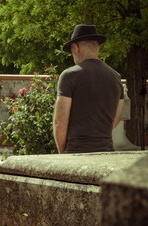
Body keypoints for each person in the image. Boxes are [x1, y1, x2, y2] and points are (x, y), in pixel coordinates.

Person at [53, 24, 124, 153]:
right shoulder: (116, 77)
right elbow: (115, 120)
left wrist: (62, 154)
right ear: (97, 47)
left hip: (77, 153)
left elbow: (60, 123)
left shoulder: (70, 75)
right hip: (106, 152)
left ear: (76, 48)